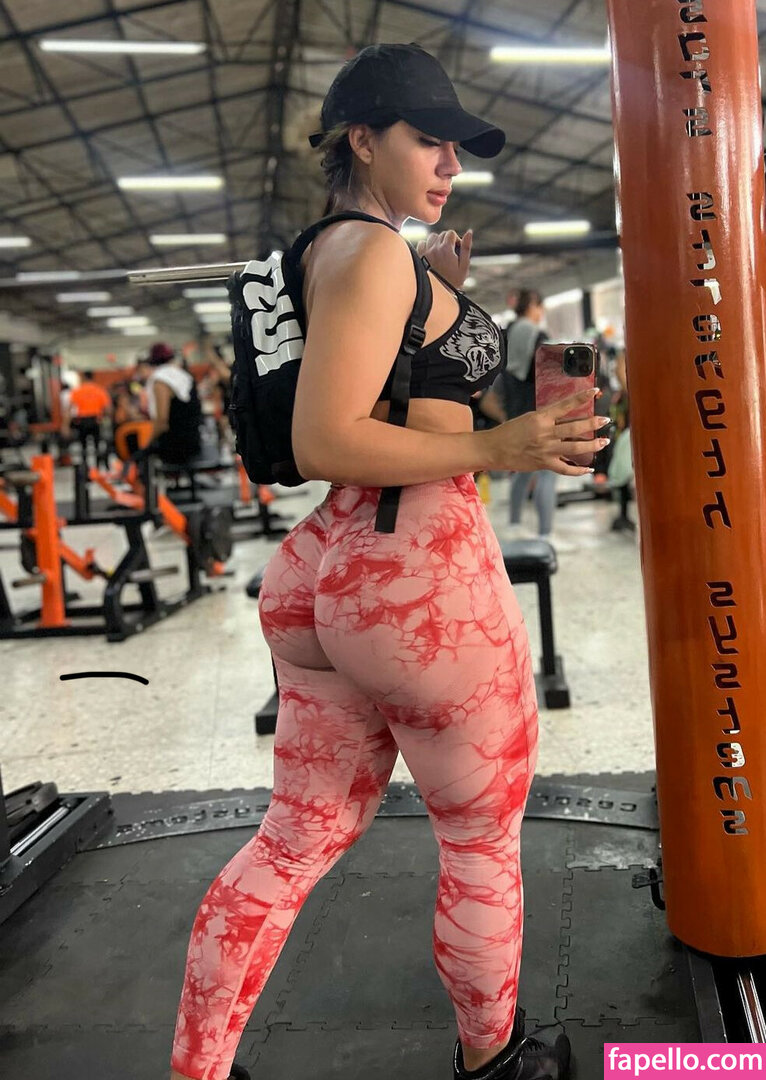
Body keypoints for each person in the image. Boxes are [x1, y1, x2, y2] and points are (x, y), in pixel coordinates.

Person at [168, 43, 608, 1080]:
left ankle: (198, 1068)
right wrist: (503, 446)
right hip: (418, 580)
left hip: (326, 572)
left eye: (456, 147)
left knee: (293, 838)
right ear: (362, 140)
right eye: (427, 140)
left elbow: (376, 394)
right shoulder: (370, 255)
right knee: (480, 840)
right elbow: (327, 437)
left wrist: (434, 296)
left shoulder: (340, 253)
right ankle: (496, 1062)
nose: (450, 163)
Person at [494, 291, 573, 550]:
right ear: (533, 306)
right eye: (541, 307)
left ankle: (514, 524)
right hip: (539, 411)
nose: (541, 313)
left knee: (520, 471)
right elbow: (552, 378)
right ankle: (545, 534)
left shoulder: (506, 333)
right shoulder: (537, 336)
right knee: (547, 472)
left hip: (515, 411)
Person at [143, 342, 202, 465]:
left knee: (142, 455)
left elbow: (162, 422)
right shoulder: (184, 376)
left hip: (175, 448)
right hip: (194, 442)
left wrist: (146, 445)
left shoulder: (161, 381)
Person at [63, 369, 112, 469]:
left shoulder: (77, 391)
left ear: (83, 377)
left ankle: (85, 467)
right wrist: (106, 419)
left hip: (82, 421)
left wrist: (65, 425)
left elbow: (69, 410)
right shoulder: (99, 390)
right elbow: (108, 408)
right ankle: (98, 466)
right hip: (96, 420)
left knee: (83, 445)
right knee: (97, 444)